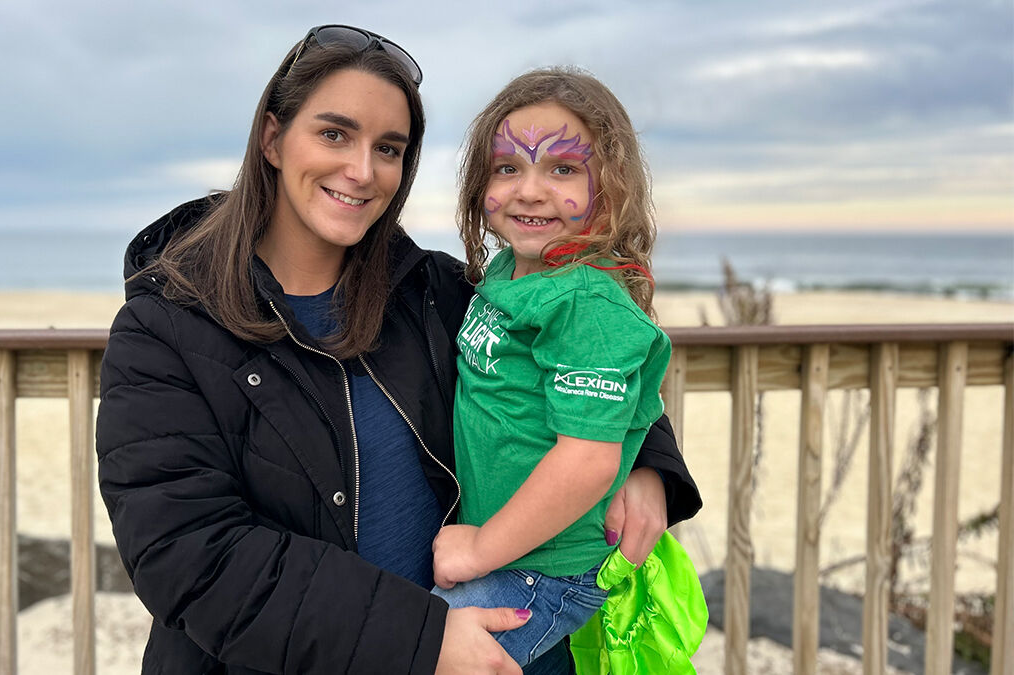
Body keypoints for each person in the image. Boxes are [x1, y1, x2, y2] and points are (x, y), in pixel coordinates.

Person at [95, 25, 701, 674]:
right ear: (272, 138)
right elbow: (192, 554)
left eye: (388, 147)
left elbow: (579, 365)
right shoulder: (165, 330)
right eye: (334, 133)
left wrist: (648, 467)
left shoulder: (430, 292)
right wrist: (422, 638)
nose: (362, 170)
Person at [429, 67, 680, 672]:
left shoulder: (585, 303)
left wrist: (481, 550)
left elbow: (588, 458)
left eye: (564, 170)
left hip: (541, 569)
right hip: (512, 556)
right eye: (507, 168)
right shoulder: (506, 275)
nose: (530, 190)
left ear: (612, 189)